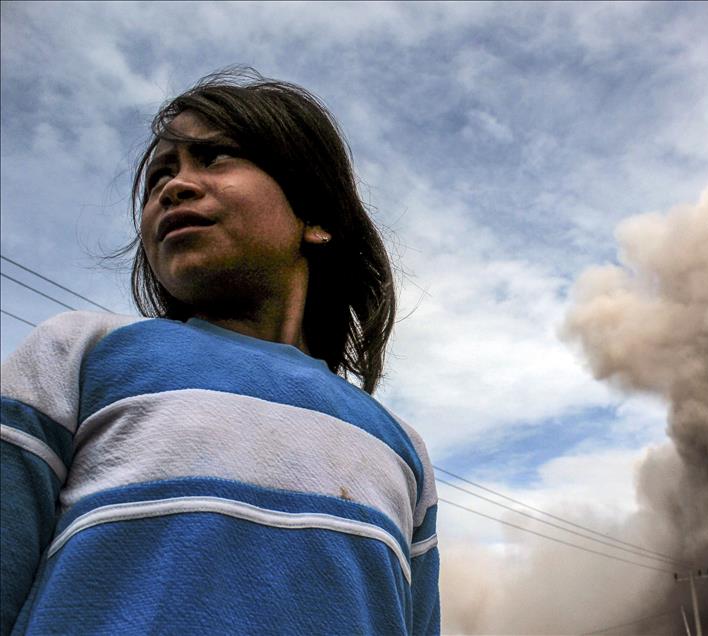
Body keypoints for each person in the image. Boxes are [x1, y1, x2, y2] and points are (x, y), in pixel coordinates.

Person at [0, 68, 440, 635]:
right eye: (162, 172)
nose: (174, 186)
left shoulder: (400, 447)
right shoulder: (81, 354)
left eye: (215, 158)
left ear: (317, 218)